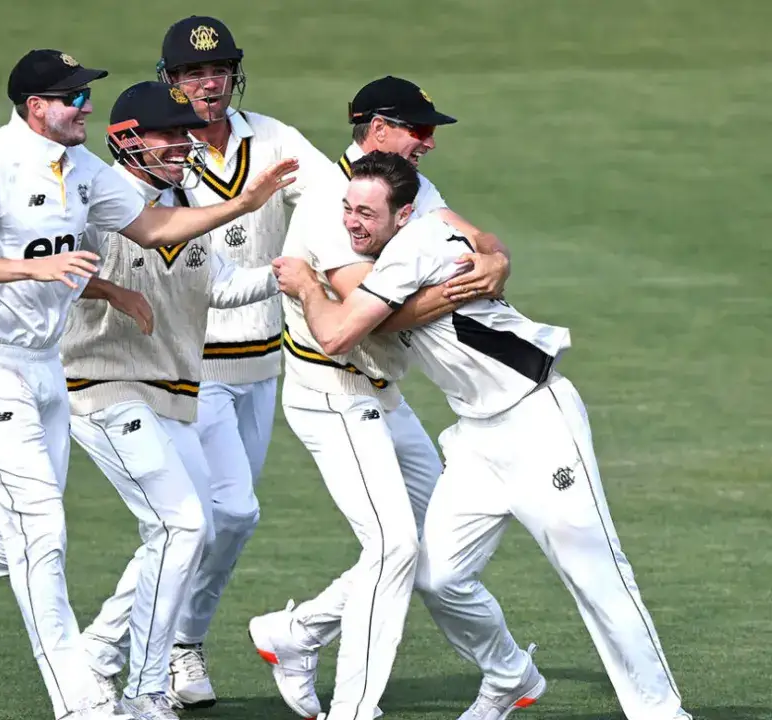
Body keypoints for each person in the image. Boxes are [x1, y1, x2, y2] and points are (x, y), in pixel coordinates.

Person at [0, 49, 298, 720]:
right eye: (73, 97)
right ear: (36, 106)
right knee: (53, 533)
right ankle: (85, 698)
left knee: (17, 533)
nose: (86, 106)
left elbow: (152, 228)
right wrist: (31, 270)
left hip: (46, 366)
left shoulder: (85, 170)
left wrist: (244, 205)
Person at [273, 151, 692, 720]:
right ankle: (506, 680)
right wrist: (495, 255)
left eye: (366, 214)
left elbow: (338, 336)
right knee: (437, 577)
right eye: (348, 209)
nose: (352, 223)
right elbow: (467, 238)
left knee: (596, 573)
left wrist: (305, 285)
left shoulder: (413, 247)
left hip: (538, 422)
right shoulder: (416, 237)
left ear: (403, 215)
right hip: (475, 437)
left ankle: (662, 713)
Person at [247, 77, 526, 720]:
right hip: (332, 394)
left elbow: (479, 241)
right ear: (377, 129)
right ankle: (354, 707)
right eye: (417, 129)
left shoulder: (411, 189)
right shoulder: (337, 202)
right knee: (394, 548)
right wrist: (460, 289)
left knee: (436, 543)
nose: (429, 142)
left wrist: (498, 263)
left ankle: (299, 635)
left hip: (382, 395)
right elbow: (370, 318)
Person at [124, 16, 336, 707]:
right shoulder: (161, 153)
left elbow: (333, 198)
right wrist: (287, 273)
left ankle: (158, 643)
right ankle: (162, 646)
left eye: (217, 70)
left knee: (217, 521)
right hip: (190, 365)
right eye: (192, 73)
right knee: (221, 516)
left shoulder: (271, 139)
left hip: (262, 362)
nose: (207, 83)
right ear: (171, 80)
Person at [61, 81, 283, 720]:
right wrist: (109, 290)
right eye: (169, 134)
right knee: (181, 525)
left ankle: (98, 652)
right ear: (128, 139)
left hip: (173, 394)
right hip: (100, 384)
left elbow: (219, 288)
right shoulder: (93, 202)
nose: (185, 145)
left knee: (195, 529)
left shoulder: (186, 204)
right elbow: (46, 275)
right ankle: (145, 691)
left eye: (188, 133)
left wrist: (286, 274)